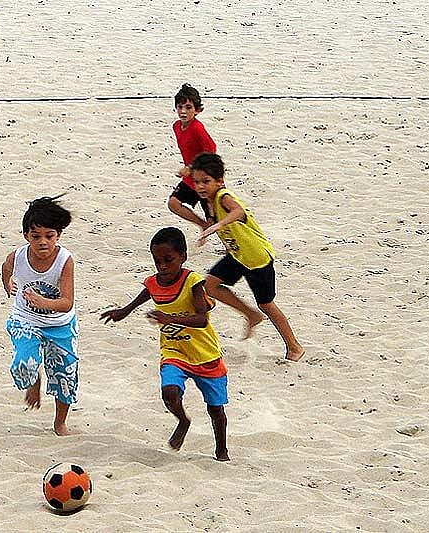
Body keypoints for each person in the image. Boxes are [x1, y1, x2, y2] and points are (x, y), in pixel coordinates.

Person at [100, 227, 230, 461]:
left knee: (215, 410)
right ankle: (183, 420)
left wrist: (170, 318)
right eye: (157, 260)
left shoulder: (193, 282)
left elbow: (201, 319)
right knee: (169, 393)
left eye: (168, 260)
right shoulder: (154, 282)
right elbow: (148, 293)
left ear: (183, 257)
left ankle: (221, 450)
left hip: (205, 353)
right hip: (174, 351)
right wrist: (124, 311)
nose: (162, 265)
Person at [191, 152, 306, 362]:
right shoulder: (207, 202)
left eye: (206, 181)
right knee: (211, 285)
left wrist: (219, 225)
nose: (200, 186)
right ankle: (250, 315)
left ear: (219, 181)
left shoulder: (223, 197)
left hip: (256, 258)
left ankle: (294, 346)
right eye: (197, 181)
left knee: (267, 304)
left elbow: (238, 211)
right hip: (238, 256)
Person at [1, 195, 78, 436]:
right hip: (26, 319)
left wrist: (43, 301)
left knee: (66, 374)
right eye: (36, 237)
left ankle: (60, 422)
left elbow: (66, 303)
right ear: (26, 236)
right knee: (25, 363)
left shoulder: (65, 260)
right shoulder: (18, 256)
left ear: (58, 236)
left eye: (49, 236)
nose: (43, 242)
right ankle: (33, 381)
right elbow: (5, 268)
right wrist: (8, 283)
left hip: (60, 324)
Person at [168, 83, 217, 230]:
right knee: (173, 203)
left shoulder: (197, 128)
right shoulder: (176, 126)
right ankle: (202, 225)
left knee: (217, 221)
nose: (183, 111)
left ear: (197, 110)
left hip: (205, 178)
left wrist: (191, 167)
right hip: (190, 179)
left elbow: (211, 150)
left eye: (188, 107)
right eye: (180, 107)